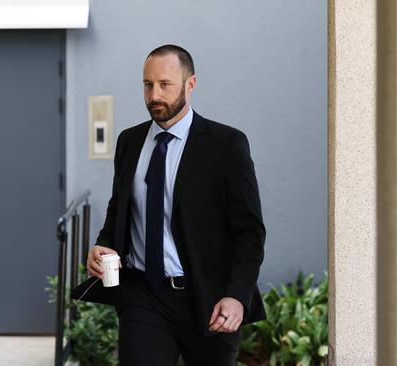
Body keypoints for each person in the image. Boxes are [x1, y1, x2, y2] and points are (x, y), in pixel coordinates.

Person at [86, 44, 266, 366]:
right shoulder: (129, 141)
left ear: (190, 84)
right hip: (144, 294)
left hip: (208, 298)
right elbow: (120, 208)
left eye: (165, 84)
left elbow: (250, 231)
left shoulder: (226, 145)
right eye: (147, 84)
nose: (154, 95)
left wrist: (237, 295)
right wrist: (104, 245)